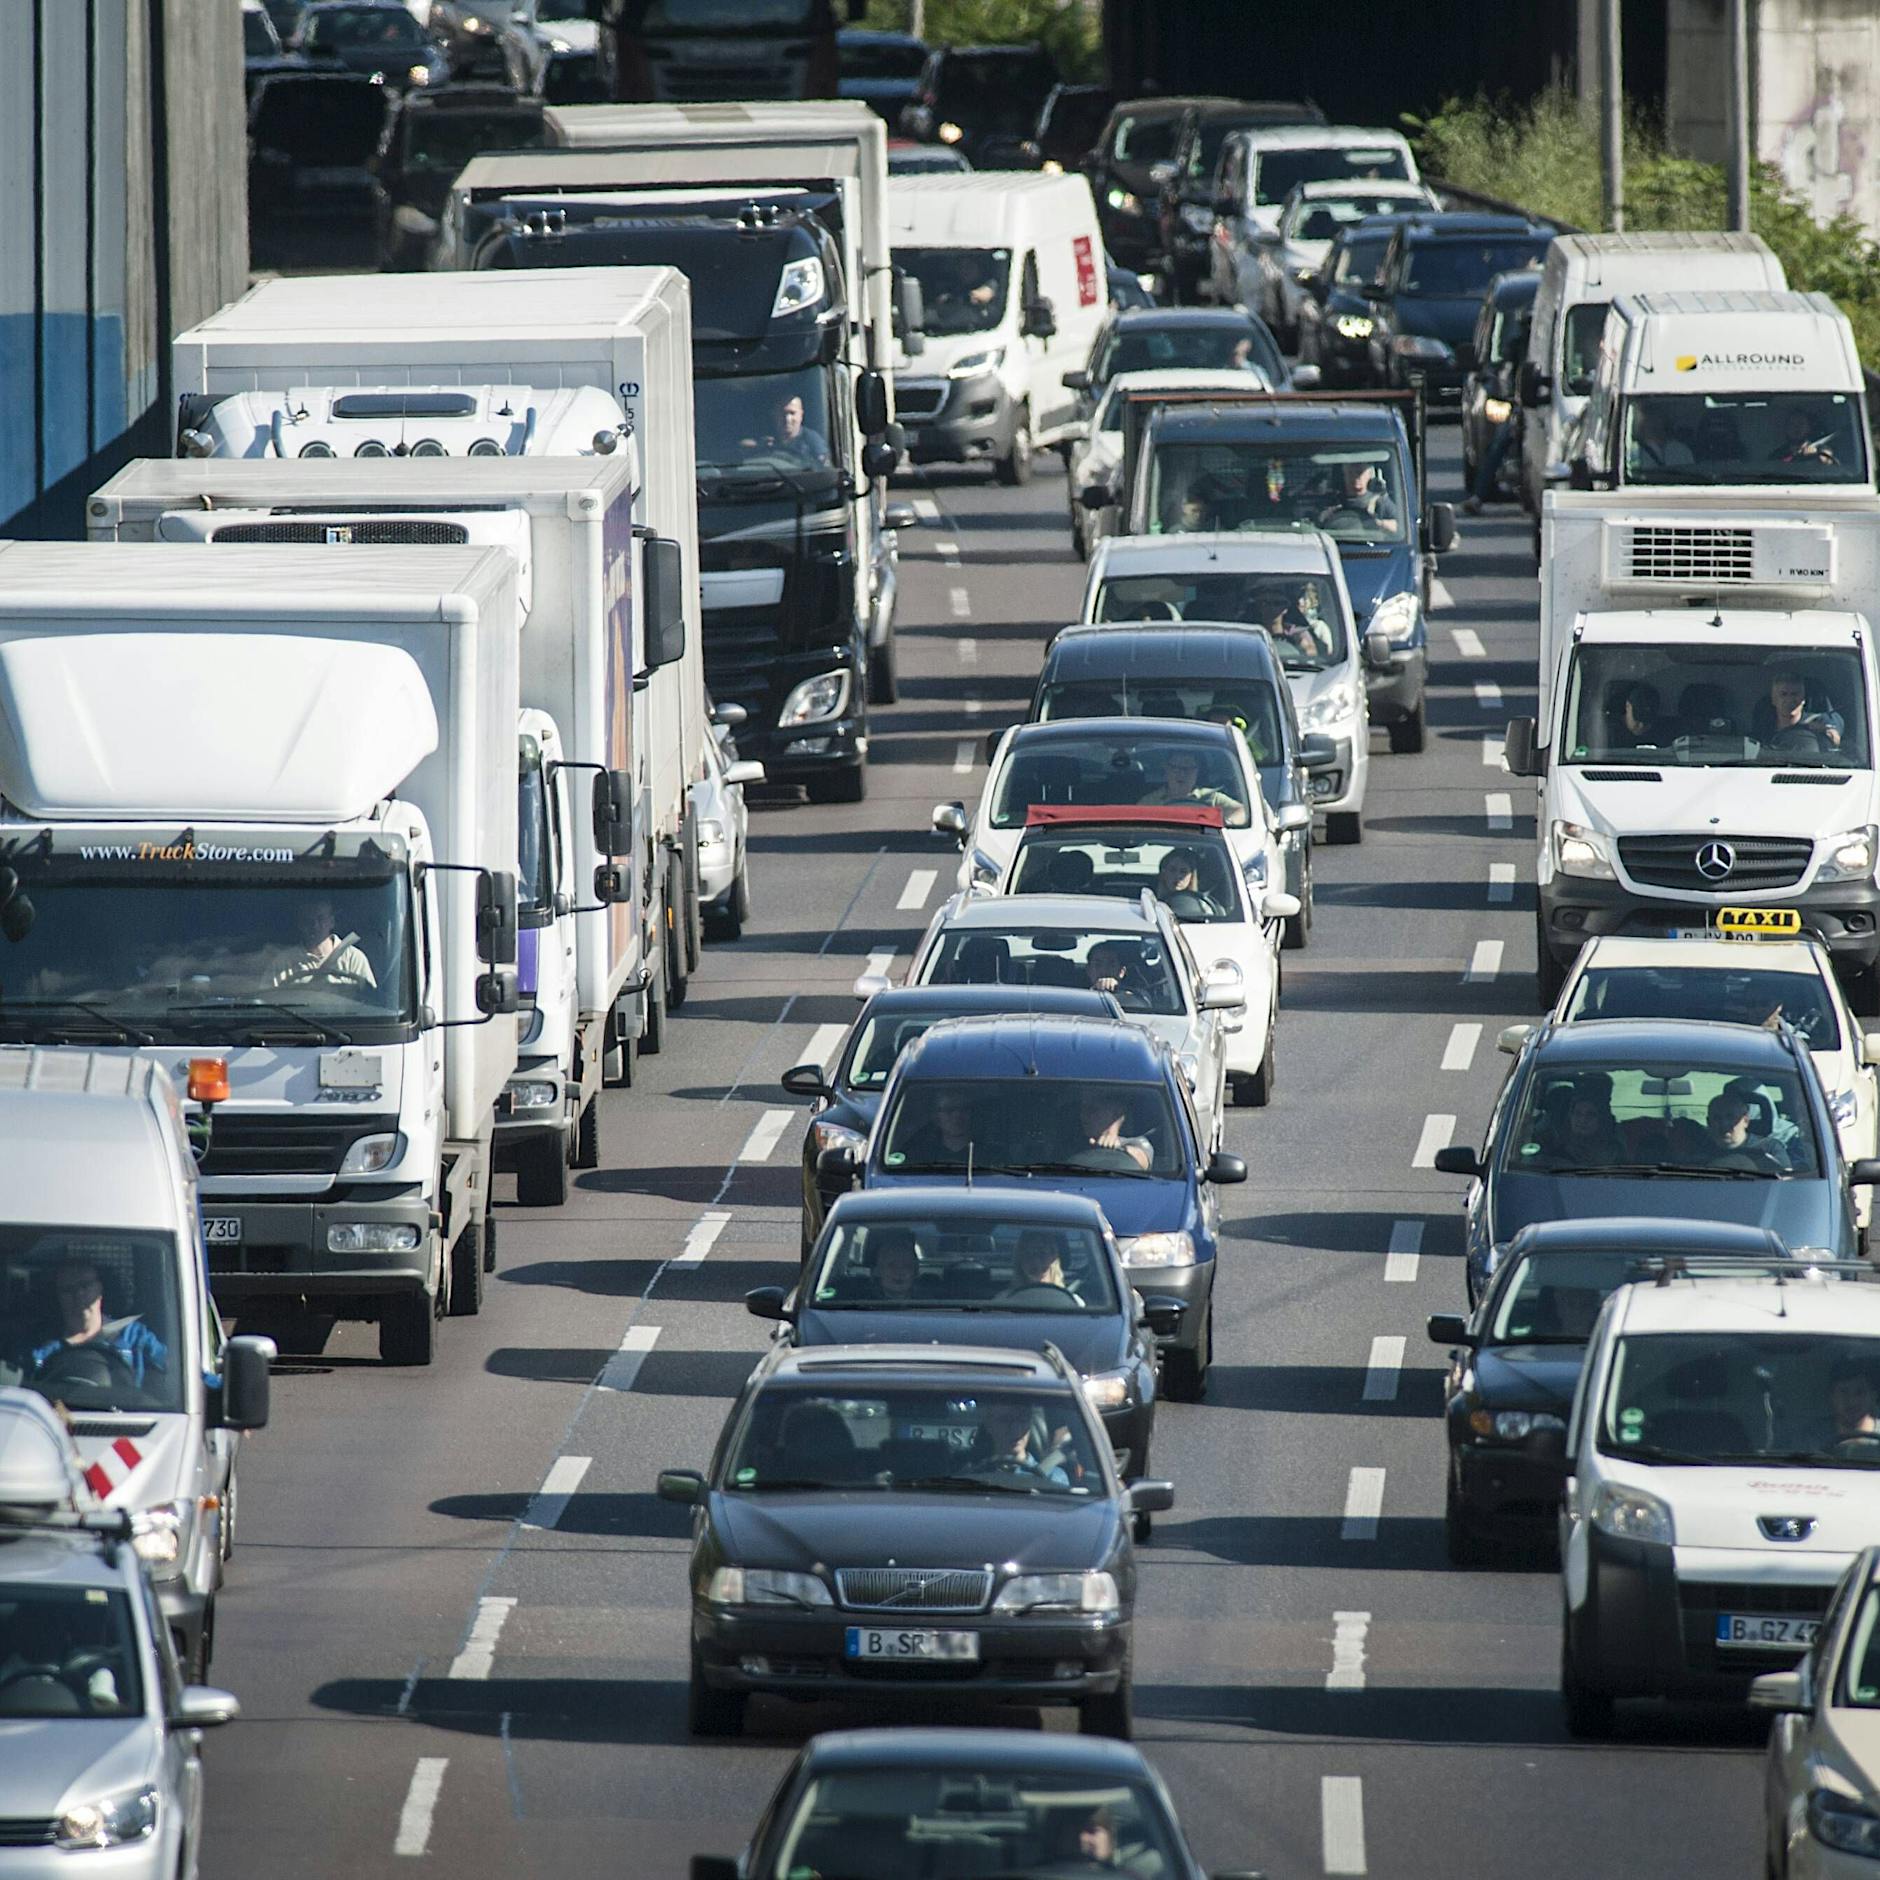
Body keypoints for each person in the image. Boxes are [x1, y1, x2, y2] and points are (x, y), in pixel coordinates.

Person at [29, 1258, 168, 1390]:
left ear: (100, 1290)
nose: (78, 1294)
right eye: (68, 1289)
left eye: (85, 1285)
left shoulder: (135, 1337)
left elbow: (174, 1370)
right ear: (57, 1297)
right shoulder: (40, 1350)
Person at [273, 898, 375, 990]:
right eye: (308, 920)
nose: (315, 926)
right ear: (300, 924)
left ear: (332, 922)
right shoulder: (283, 962)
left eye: (321, 919)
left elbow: (370, 1000)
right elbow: (267, 1001)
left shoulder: (354, 959)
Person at [969, 1400, 1070, 1486]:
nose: (1016, 1430)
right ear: (989, 1425)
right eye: (1005, 1420)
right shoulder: (969, 1479)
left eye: (1022, 1420)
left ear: (1030, 1424)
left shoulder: (1053, 1477)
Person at [1537, 1072, 1625, 1169]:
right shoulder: (1550, 1150)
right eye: (1577, 1114)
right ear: (1570, 1116)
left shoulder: (1615, 1153)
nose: (1583, 1120)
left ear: (1601, 1120)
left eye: (1590, 1115)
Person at [1755, 670, 1844, 752]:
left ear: (1803, 699)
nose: (1789, 699)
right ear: (1773, 700)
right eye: (1784, 694)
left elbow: (1835, 739)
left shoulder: (1819, 721)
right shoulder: (1764, 729)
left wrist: (1823, 731)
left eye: (1795, 694)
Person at [894, 1089, 977, 1169]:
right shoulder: (920, 1154)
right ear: (936, 1117)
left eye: (963, 1109)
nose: (957, 1116)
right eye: (948, 1110)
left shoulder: (988, 1154)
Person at [1076, 1085, 1153, 1171]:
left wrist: (1118, 1150)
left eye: (1093, 1109)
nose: (1084, 1115)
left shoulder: (1136, 1141)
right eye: (1083, 1107)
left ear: (1117, 1113)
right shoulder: (1072, 1139)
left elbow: (1141, 1157)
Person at [1139, 750, 1239, 813]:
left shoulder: (1213, 798)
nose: (1182, 774)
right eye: (1176, 768)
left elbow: (1242, 812)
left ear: (1197, 771)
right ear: (1166, 769)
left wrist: (1227, 822)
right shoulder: (1150, 802)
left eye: (1188, 768)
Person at [749, 392, 829, 468]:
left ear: (801, 415)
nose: (787, 419)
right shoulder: (766, 439)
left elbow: (824, 467)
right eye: (782, 413)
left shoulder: (812, 440)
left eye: (792, 413)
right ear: (774, 415)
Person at [1827, 1359, 1880, 1450]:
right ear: (1831, 1396)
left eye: (1860, 1392)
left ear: (1873, 1396)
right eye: (1843, 1392)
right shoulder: (1811, 1439)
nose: (1852, 1401)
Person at [1628, 403, 1694, 473]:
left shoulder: (1681, 450)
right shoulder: (1634, 453)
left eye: (1658, 418)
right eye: (1649, 419)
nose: (1654, 424)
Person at [1001, 1230, 1069, 1296]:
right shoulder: (1003, 1302)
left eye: (1042, 1253)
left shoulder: (1073, 1304)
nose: (1037, 1261)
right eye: (1030, 1254)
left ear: (1054, 1260)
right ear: (1020, 1261)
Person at [1771, 405, 1838, 468]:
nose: (1796, 427)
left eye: (1801, 423)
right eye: (1792, 424)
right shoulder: (1777, 455)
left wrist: (1818, 456)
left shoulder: (1821, 449)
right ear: (1786, 429)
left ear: (1808, 428)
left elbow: (1833, 468)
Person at [866, 1230, 921, 1303]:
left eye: (906, 1266)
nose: (899, 1272)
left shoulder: (931, 1304)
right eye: (892, 1265)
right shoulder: (859, 1304)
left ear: (915, 1272)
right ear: (878, 1271)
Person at [1610, 681, 1667, 750]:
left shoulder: (1662, 736)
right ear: (1627, 706)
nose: (1641, 725)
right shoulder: (1608, 734)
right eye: (1637, 718)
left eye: (1647, 721)